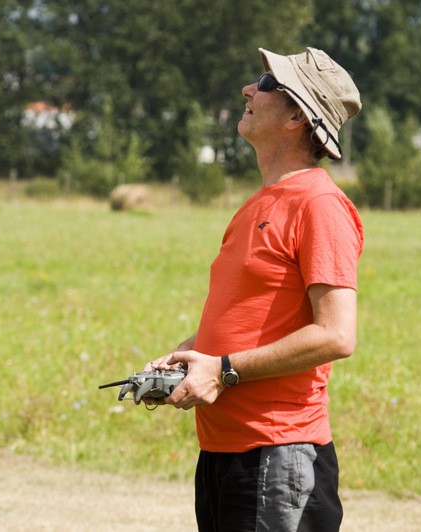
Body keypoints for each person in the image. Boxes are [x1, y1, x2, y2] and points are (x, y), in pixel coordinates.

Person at [144, 47, 364, 531]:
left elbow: (336, 336)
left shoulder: (320, 205)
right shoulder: (256, 205)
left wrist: (221, 371)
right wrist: (187, 357)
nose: (248, 89)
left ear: (295, 116)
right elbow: (247, 318)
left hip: (279, 453)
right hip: (225, 453)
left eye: (265, 84)